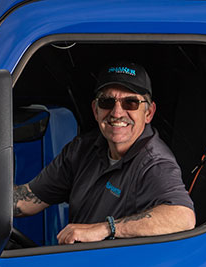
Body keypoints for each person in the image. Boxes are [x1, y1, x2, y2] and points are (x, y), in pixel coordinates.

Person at [12, 62, 195, 244]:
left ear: (149, 113)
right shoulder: (83, 148)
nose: (116, 113)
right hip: (77, 263)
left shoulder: (154, 163)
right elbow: (27, 200)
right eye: (107, 102)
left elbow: (183, 217)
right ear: (95, 110)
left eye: (130, 103)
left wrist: (106, 228)